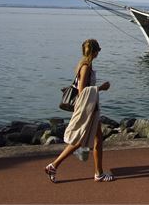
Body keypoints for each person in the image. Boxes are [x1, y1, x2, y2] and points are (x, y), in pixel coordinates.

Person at [45, 39, 113, 183]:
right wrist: (101, 88)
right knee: (81, 139)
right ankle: (55, 165)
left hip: (90, 107)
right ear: (94, 51)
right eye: (98, 50)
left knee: (97, 139)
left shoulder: (84, 64)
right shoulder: (86, 66)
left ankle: (98, 172)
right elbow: (82, 90)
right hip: (87, 108)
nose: (99, 53)